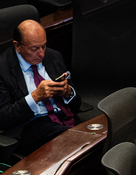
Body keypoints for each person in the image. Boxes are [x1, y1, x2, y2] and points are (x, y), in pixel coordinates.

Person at [0, 20, 80, 161]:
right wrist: (35, 97)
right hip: (31, 126)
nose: (42, 54)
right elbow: (3, 117)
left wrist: (68, 92)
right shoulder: (3, 69)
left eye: (44, 46)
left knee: (98, 136)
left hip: (64, 118)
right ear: (17, 46)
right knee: (78, 141)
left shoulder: (53, 56)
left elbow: (77, 102)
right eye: (35, 49)